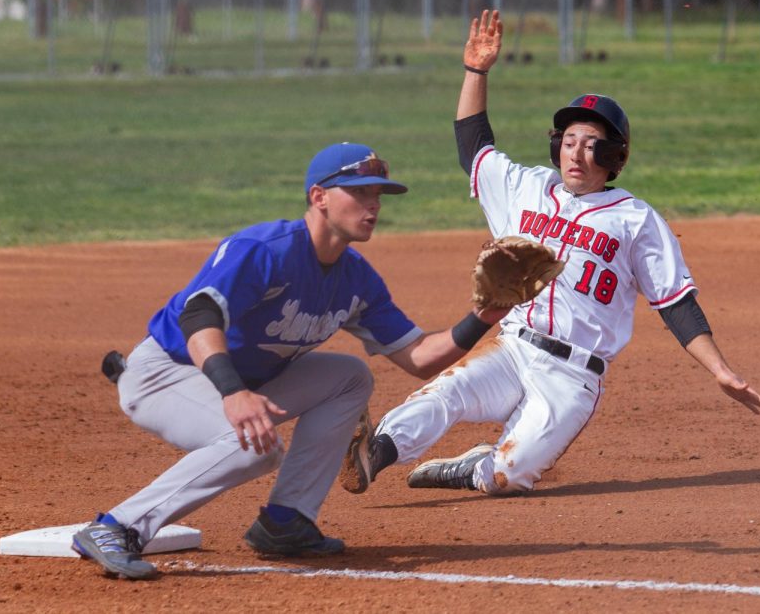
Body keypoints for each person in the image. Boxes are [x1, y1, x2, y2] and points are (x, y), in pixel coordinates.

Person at [340, 10, 760, 498]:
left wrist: (720, 370)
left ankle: (474, 467)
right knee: (446, 393)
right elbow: (473, 146)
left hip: (574, 375)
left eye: (591, 144)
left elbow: (675, 302)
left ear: (616, 158)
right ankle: (373, 451)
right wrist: (476, 71)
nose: (575, 153)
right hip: (513, 345)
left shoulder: (636, 219)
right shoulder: (526, 188)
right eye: (568, 142)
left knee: (509, 477)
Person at [71, 141, 508, 579]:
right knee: (254, 448)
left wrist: (483, 315)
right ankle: (118, 526)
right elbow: (198, 316)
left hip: (241, 380)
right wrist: (235, 393)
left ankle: (287, 521)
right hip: (165, 374)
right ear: (319, 197)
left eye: (378, 195)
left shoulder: (356, 278)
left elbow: (419, 357)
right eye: (360, 193)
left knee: (350, 377)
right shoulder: (267, 250)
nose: (373, 205)